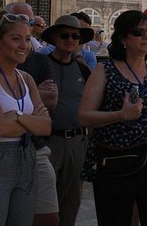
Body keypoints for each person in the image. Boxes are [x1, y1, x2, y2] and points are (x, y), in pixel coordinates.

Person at [79, 10, 147, 225]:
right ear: (123, 39)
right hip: (118, 162)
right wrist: (120, 115)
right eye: (139, 32)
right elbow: (83, 116)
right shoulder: (105, 69)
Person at [0, 2, 59, 226]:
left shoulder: (26, 78)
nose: (24, 45)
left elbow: (47, 127)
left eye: (27, 38)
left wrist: (18, 116)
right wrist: (32, 121)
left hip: (26, 156)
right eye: (15, 38)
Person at [41, 15, 94, 225]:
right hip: (47, 141)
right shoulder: (40, 65)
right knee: (44, 205)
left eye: (76, 36)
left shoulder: (83, 69)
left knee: (71, 203)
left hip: (76, 142)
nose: (71, 39)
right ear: (54, 37)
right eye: (65, 35)